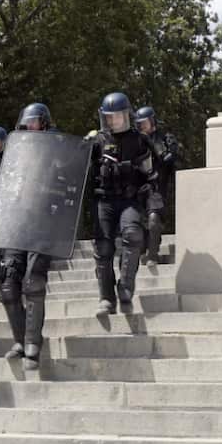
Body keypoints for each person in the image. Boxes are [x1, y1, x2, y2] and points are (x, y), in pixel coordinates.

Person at [0, 105, 56, 370]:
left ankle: (33, 343)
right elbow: (5, 187)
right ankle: (19, 340)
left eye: (35, 122)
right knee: (9, 286)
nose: (30, 126)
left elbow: (69, 183)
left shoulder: (56, 149)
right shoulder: (15, 152)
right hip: (17, 222)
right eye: (27, 123)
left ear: (44, 123)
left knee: (33, 283)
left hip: (43, 223)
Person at [91, 93, 158, 316]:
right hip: (104, 199)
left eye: (116, 116)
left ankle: (126, 287)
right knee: (103, 248)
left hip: (129, 199)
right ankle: (106, 299)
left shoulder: (139, 140)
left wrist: (151, 204)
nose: (112, 121)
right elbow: (82, 170)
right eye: (108, 117)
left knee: (133, 235)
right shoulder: (98, 140)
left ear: (125, 115)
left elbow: (150, 174)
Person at [135, 106, 181, 266]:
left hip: (157, 187)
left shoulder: (164, 138)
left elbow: (172, 158)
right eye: (140, 124)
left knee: (154, 219)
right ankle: (143, 251)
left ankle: (152, 255)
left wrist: (165, 155)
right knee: (136, 222)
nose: (143, 126)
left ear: (152, 121)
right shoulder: (136, 141)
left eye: (145, 123)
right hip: (138, 187)